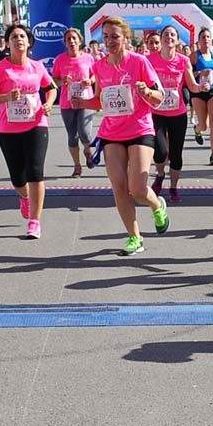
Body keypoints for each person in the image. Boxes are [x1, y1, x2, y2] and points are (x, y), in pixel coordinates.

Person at [83, 16, 170, 255]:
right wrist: (80, 100)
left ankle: (157, 204)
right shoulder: (99, 66)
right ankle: (134, 237)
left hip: (140, 129)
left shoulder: (139, 62)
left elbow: (160, 97)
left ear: (126, 38)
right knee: (119, 187)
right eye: (106, 36)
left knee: (138, 189)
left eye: (115, 36)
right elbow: (100, 101)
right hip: (111, 132)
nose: (109, 41)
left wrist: (146, 91)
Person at [0, 23, 56, 240]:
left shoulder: (37, 67)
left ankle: (35, 221)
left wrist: (49, 103)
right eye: (14, 37)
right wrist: (6, 98)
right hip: (9, 128)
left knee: (35, 171)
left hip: (36, 124)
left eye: (22, 36)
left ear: (29, 41)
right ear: (8, 42)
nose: (19, 40)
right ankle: (24, 197)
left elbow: (51, 88)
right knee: (17, 177)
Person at [148, 25, 200, 203]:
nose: (169, 37)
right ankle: (160, 174)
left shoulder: (183, 60)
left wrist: (201, 87)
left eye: (173, 35)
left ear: (177, 40)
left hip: (178, 114)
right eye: (166, 34)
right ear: (161, 39)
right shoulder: (150, 60)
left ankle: (174, 187)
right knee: (161, 152)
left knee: (176, 154)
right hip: (157, 112)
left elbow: (192, 85)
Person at [53, 27, 97, 177]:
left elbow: (95, 75)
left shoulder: (88, 58)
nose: (71, 41)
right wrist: (62, 81)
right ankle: (77, 166)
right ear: (65, 43)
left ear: (80, 41)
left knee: (84, 133)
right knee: (72, 136)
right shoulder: (60, 59)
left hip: (86, 100)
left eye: (74, 38)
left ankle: (88, 151)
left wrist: (89, 81)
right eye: (68, 39)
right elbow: (54, 81)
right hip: (67, 102)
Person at [191, 28, 213, 165]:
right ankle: (197, 130)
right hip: (198, 92)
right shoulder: (194, 56)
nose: (206, 39)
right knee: (203, 125)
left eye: (208, 37)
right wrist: (199, 73)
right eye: (203, 37)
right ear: (199, 41)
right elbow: (188, 74)